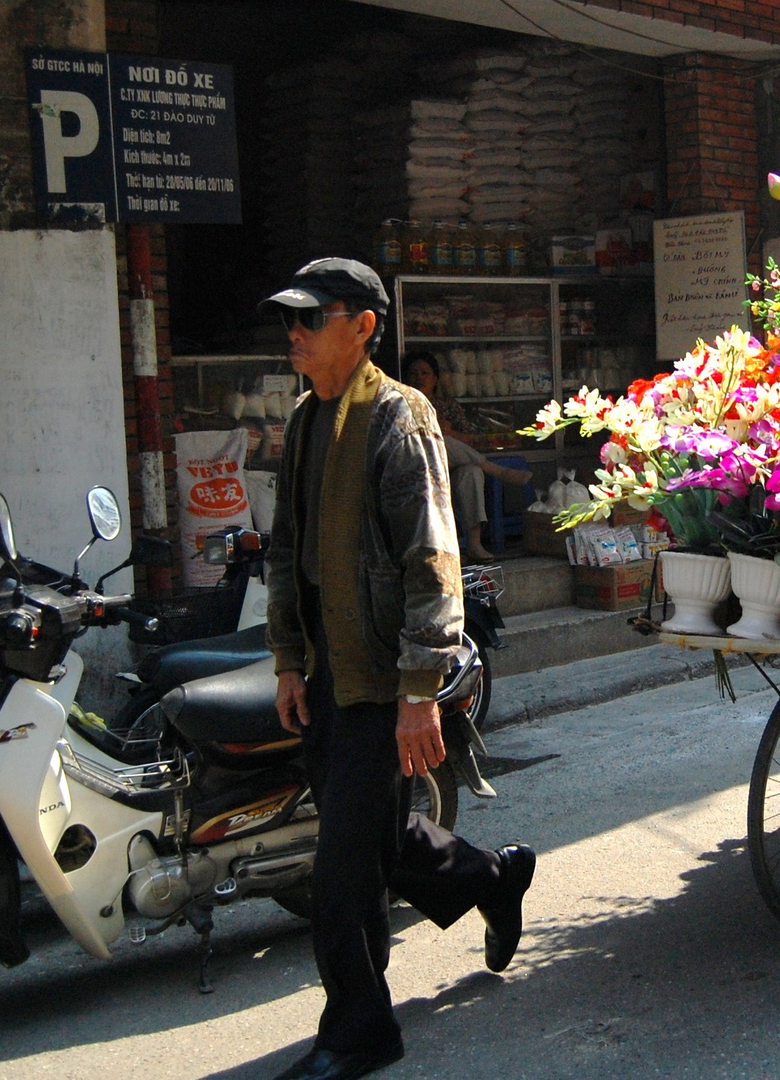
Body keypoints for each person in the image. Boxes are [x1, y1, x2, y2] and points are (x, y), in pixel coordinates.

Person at [261, 259, 535, 1080]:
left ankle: (359, 1030)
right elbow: (286, 553)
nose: (296, 334)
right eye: (291, 321)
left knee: (341, 869)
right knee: (378, 837)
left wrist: (422, 691)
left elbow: (432, 562)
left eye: (314, 318)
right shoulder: (307, 419)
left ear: (364, 326)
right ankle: (493, 879)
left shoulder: (398, 418)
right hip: (325, 673)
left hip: (383, 682)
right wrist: (284, 660)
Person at [401, 350, 532, 562]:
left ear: (435, 379)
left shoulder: (447, 405)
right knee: (436, 439)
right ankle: (494, 469)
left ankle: (474, 542)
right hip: (421, 468)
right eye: (413, 373)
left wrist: (449, 431)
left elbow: (469, 438)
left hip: (452, 466)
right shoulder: (402, 404)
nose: (419, 378)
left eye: (424, 373)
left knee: (471, 472)